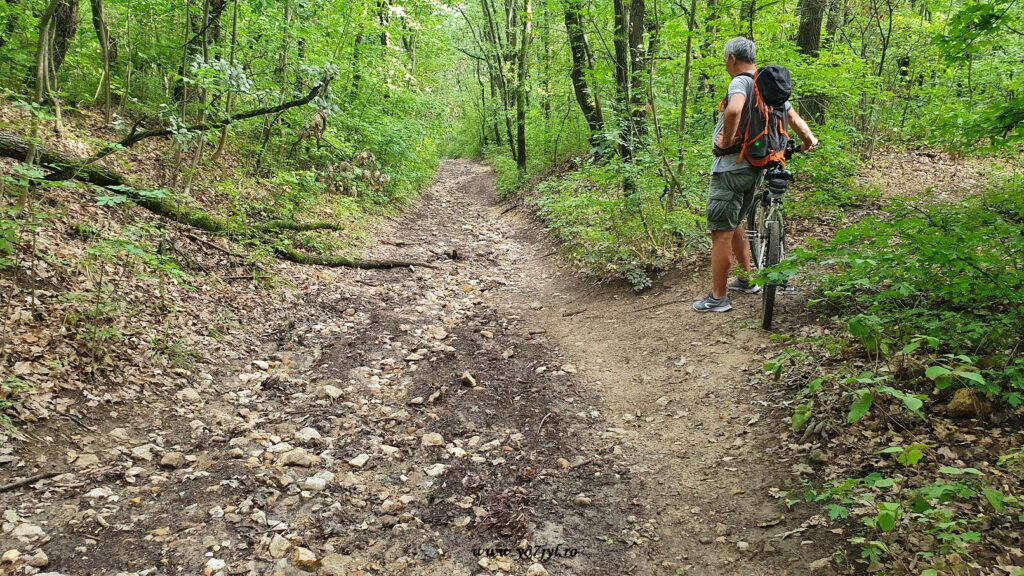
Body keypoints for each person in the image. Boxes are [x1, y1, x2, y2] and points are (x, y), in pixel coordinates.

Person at [692, 36, 818, 313]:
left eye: (726, 59)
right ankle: (747, 280)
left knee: (721, 231)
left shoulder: (741, 82)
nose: (726, 65)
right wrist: (808, 140)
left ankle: (717, 298)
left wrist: (726, 141)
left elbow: (735, 109)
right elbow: (795, 119)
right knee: (736, 221)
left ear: (732, 59)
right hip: (757, 166)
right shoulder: (768, 86)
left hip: (732, 167)